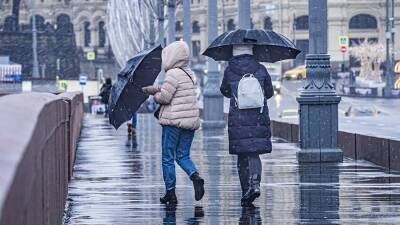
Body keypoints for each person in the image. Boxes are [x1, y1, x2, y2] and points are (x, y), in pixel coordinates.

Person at [142, 41, 205, 205]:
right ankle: (195, 176)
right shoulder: (188, 73)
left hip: (173, 122)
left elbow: (165, 97)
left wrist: (155, 96)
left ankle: (170, 193)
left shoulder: (172, 74)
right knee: (182, 155)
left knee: (168, 158)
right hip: (189, 122)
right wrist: (154, 89)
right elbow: (174, 91)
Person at [220, 44, 274, 207]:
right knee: (254, 153)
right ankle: (255, 183)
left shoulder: (230, 70)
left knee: (241, 154)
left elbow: (224, 90)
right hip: (258, 117)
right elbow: (269, 92)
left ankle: (245, 191)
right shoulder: (261, 68)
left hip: (238, 117)